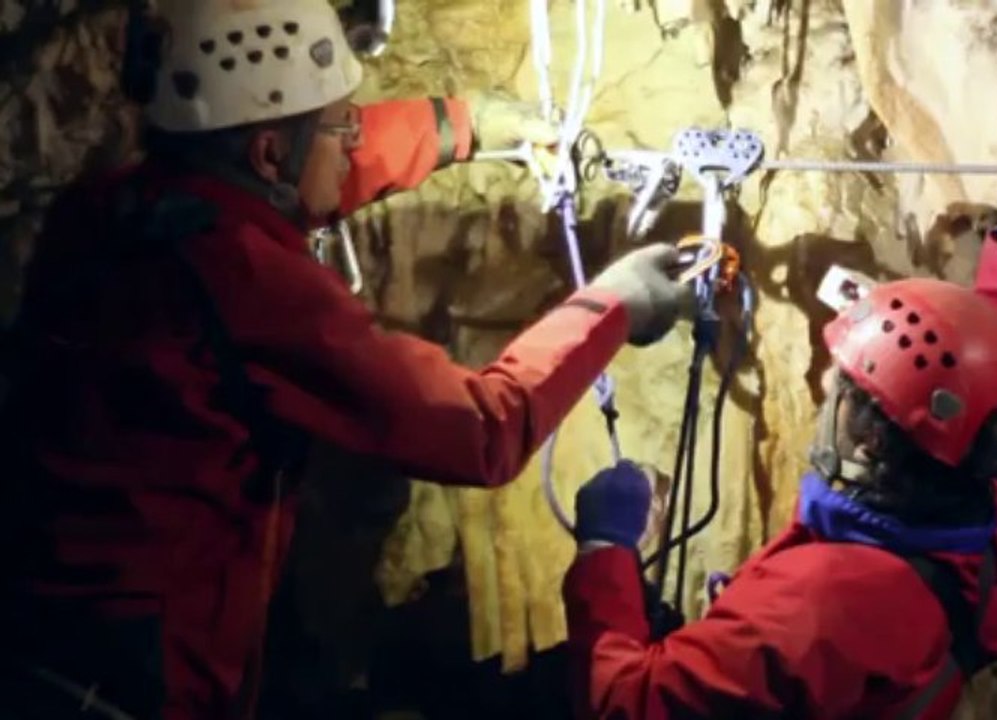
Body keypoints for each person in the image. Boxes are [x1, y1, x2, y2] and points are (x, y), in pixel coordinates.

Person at [0, 1, 692, 718]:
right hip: (134, 686)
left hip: (39, 638)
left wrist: (464, 123)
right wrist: (612, 306)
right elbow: (479, 430)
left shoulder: (109, 210)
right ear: (270, 153)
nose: (353, 135)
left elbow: (275, 180)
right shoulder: (252, 285)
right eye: (341, 123)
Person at [562, 143, 997, 719]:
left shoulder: (819, 605)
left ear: (868, 440)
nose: (828, 388)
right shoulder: (982, 523)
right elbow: (995, 380)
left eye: (841, 386)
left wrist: (604, 551)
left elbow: (626, 705)